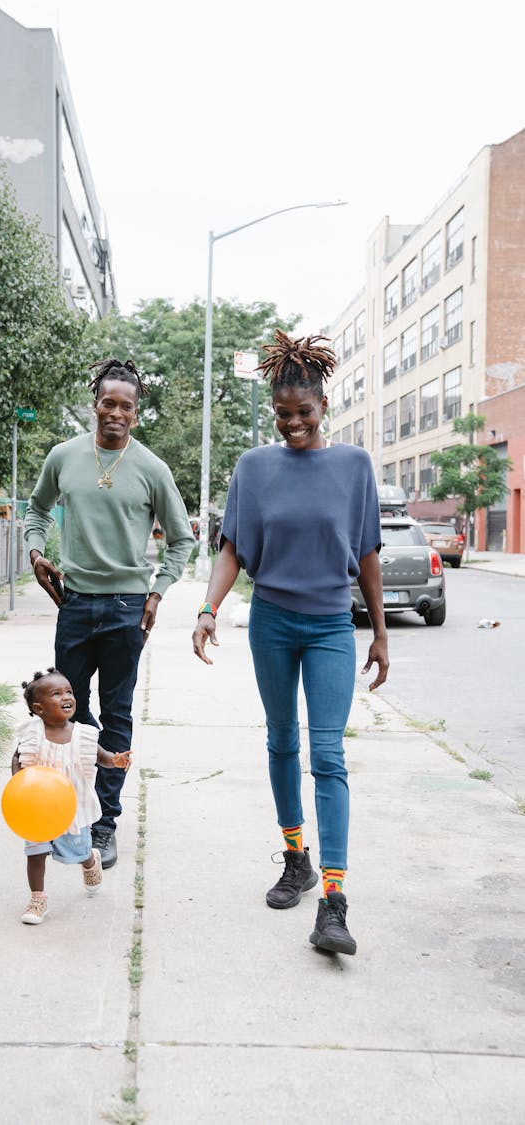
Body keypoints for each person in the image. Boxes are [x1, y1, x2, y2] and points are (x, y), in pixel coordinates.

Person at [192, 330, 388, 956]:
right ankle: (295, 857)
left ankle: (334, 899)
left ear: (323, 407)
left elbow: (367, 555)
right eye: (283, 415)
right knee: (281, 740)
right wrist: (207, 608)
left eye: (304, 413)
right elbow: (233, 550)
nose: (293, 424)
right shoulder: (254, 468)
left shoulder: (353, 466)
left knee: (327, 755)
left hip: (331, 624)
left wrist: (382, 632)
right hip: (273, 622)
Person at [24, 359, 195, 870]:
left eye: (126, 406)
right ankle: (65, 808)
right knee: (63, 712)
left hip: (126, 608)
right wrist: (35, 554)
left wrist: (158, 593)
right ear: (94, 403)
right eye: (107, 403)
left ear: (136, 413)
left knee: (116, 714)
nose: (115, 413)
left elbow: (182, 540)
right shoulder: (64, 457)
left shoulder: (152, 469)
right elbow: (35, 510)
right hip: (73, 603)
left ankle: (104, 824)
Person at [12, 668, 131, 925]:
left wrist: (116, 760)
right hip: (38, 806)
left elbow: (102, 758)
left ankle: (90, 860)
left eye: (69, 691)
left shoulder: (83, 734)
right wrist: (18, 783)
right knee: (36, 852)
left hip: (72, 808)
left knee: (77, 849)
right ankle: (37, 899)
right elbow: (18, 759)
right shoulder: (32, 734)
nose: (66, 697)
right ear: (39, 708)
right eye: (56, 694)